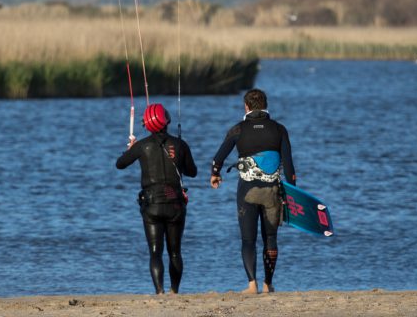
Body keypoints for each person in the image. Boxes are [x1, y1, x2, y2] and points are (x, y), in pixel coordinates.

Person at [210, 89, 296, 294]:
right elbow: (290, 166)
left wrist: (215, 174)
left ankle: (252, 285)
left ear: (246, 107)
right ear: (266, 105)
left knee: (248, 239)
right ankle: (268, 284)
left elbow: (218, 157)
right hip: (272, 192)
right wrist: (293, 191)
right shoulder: (279, 129)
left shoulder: (237, 130)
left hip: (247, 191)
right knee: (271, 239)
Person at [116, 103, 197, 294]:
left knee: (155, 252)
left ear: (147, 124)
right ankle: (174, 291)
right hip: (175, 205)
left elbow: (120, 164)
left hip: (151, 205)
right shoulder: (180, 144)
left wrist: (130, 149)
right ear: (166, 120)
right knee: (175, 252)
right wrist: (180, 159)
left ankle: (159, 291)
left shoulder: (141, 146)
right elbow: (192, 172)